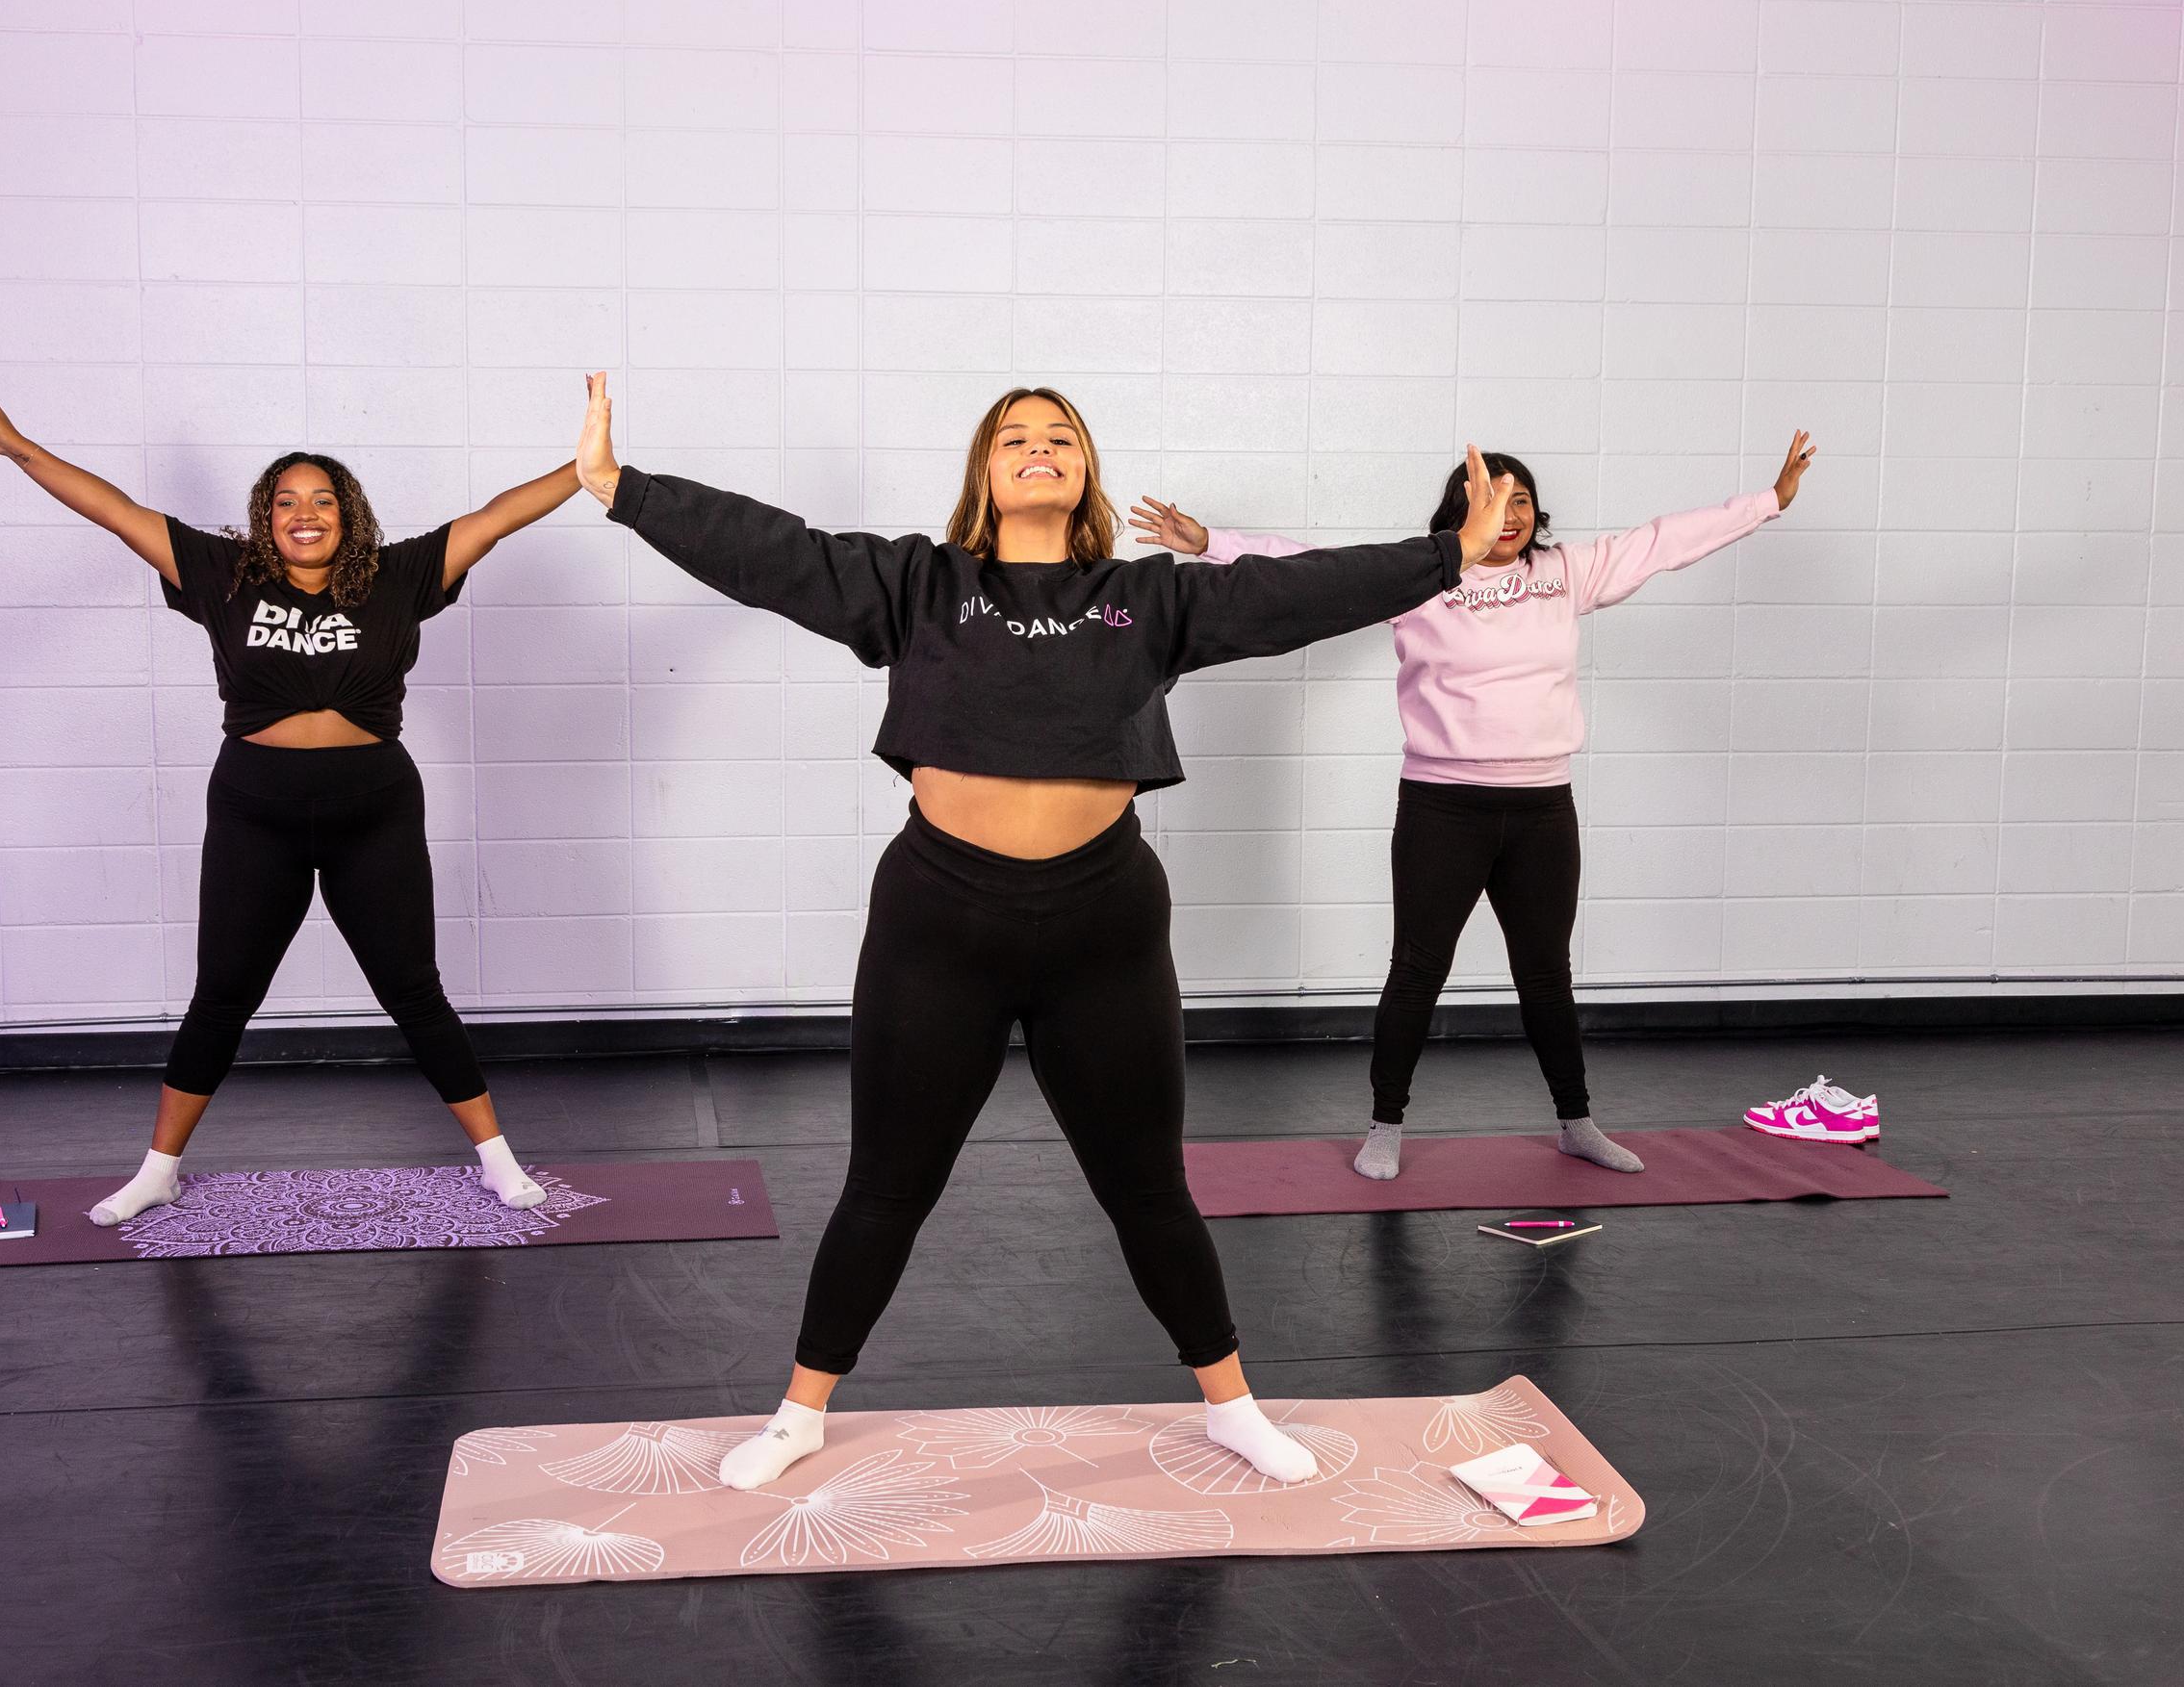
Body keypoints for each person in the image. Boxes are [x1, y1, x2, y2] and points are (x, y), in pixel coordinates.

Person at [574, 372, 1518, 1489]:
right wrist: (622, 489)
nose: (1038, 448)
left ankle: (1230, 1405)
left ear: (1084, 471)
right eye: (1014, 437)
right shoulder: (916, 586)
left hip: (1101, 926)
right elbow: (775, 551)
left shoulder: (1145, 598)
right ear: (983, 472)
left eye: (1059, 436)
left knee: (1146, 1185)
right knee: (887, 1184)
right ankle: (799, 1411)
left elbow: (1288, 593)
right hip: (939, 921)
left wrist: (1446, 554)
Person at [0, 370, 588, 1224]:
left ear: (347, 514)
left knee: (413, 989)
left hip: (374, 808)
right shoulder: (222, 572)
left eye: (322, 500)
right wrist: (20, 448)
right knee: (224, 992)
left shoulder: (396, 577)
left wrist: (582, 469)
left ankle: (496, 1160)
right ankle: (158, 1170)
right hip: (257, 808)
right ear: (266, 517)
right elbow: (111, 510)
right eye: (286, 500)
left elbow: (498, 517)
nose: (304, 514)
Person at [1131, 433, 1819, 1180]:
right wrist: (1210, 542)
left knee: (1546, 975)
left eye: (1521, 497)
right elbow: (1311, 574)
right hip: (1442, 809)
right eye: (1492, 498)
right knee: (1418, 970)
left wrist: (1767, 503)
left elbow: (1662, 541)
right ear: (1463, 513)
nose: (1510, 511)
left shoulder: (1567, 574)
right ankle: (1384, 1128)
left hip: (1542, 811)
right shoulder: (1421, 580)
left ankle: (1576, 1121)